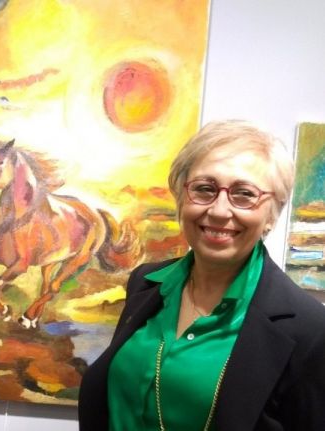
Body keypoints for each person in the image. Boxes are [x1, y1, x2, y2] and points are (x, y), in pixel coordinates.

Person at [78, 120, 325, 430]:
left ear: (271, 215)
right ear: (182, 198)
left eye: (244, 194)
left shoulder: (310, 328)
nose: (219, 211)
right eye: (204, 189)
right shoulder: (145, 283)